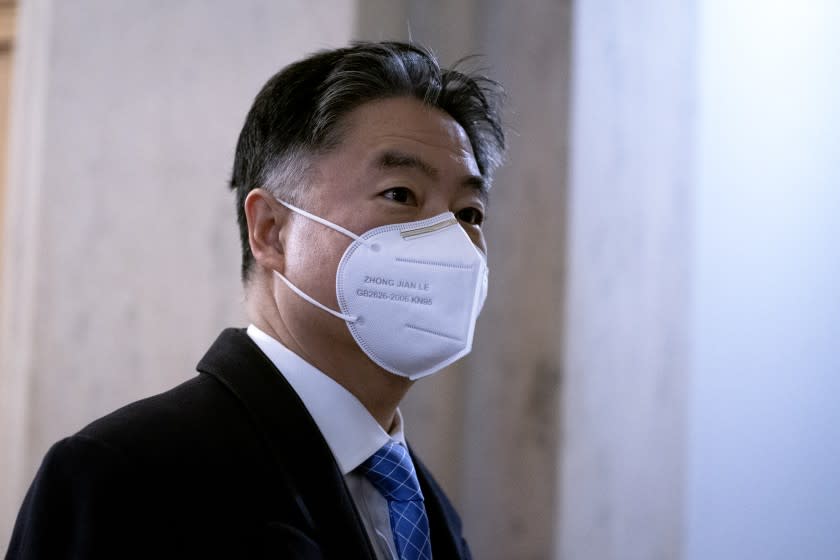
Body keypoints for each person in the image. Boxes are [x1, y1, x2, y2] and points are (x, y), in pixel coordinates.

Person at [6, 41, 505, 559]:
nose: (451, 240)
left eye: (469, 213)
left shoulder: (429, 509)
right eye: (401, 194)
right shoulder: (124, 475)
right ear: (271, 230)